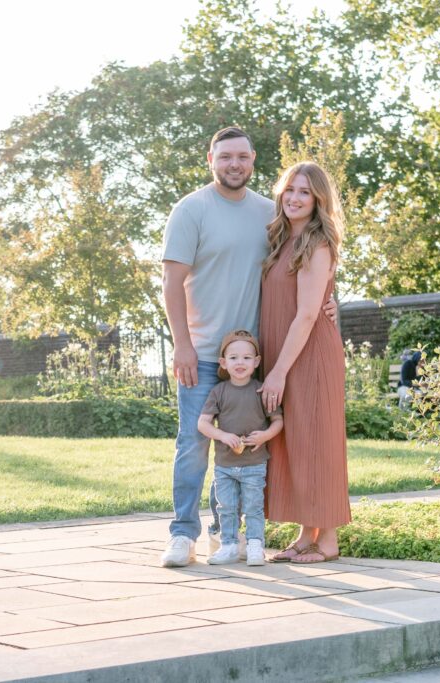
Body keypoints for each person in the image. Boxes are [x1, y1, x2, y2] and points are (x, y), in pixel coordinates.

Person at [159, 127, 336, 568]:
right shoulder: (191, 210)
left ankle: (229, 537)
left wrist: (331, 303)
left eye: (241, 156)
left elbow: (306, 273)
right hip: (202, 354)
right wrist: (181, 344)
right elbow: (171, 283)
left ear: (253, 160)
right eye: (225, 157)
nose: (234, 164)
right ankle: (183, 535)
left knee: (246, 447)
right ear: (211, 159)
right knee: (194, 445)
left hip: (254, 359)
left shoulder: (268, 214)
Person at [260, 161, 351, 564]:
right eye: (290, 190)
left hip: (309, 356)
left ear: (318, 201)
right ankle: (305, 534)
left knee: (317, 442)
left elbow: (309, 313)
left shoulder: (316, 243)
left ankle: (328, 541)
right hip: (287, 352)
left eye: (304, 193)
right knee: (296, 442)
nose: (294, 198)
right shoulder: (281, 240)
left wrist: (278, 371)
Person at [197, 330, 283, 566]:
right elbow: (203, 423)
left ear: (256, 362)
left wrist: (264, 436)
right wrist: (223, 435)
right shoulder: (219, 391)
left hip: (254, 464)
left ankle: (256, 546)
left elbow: (278, 421)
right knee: (227, 508)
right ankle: (229, 546)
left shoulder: (261, 390)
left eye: (247, 358)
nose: (240, 363)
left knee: (254, 507)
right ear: (223, 362)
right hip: (225, 465)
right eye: (233, 358)